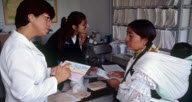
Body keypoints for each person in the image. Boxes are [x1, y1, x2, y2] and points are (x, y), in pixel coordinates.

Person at [0, 0, 71, 102]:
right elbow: (25, 94)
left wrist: (50, 71)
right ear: (31, 17)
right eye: (47, 18)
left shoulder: (24, 43)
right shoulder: (18, 50)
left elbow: (29, 72)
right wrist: (56, 79)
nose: (50, 24)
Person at [107, 19, 192, 102]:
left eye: (131, 36)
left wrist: (117, 85)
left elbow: (136, 99)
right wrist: (124, 74)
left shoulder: (148, 63)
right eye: (127, 34)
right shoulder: (148, 51)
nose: (126, 39)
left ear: (145, 40)